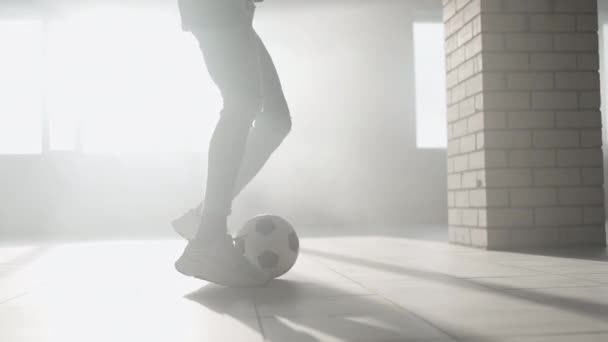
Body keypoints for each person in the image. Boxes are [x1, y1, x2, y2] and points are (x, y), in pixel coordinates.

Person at [173, 0, 292, 287]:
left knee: (275, 120)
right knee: (241, 103)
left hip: (234, 10)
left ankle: (203, 218)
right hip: (217, 7)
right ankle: (208, 239)